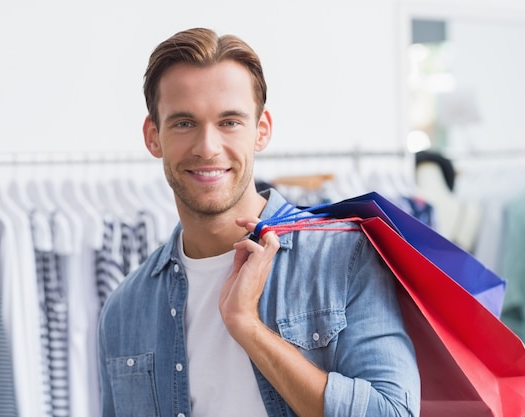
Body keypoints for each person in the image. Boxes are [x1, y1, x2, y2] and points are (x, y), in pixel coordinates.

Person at [98, 27, 421, 417]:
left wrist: (248, 327)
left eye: (229, 122)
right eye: (184, 123)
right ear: (153, 136)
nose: (207, 147)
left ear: (261, 130)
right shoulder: (124, 309)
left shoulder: (344, 257)